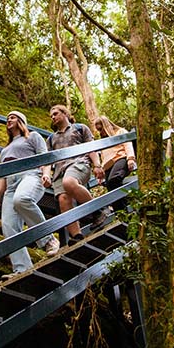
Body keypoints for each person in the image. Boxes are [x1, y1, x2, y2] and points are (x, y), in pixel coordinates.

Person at [0, 110, 60, 279]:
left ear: (21, 121)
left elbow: (45, 157)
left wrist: (46, 174)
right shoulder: (4, 150)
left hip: (30, 175)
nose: (9, 120)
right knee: (8, 226)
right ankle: (22, 268)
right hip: (10, 184)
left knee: (22, 200)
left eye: (12, 117)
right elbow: (2, 174)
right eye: (7, 118)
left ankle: (48, 240)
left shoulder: (33, 137)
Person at [43, 105, 105, 246]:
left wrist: (97, 165)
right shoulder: (51, 138)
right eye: (51, 115)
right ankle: (77, 235)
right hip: (59, 171)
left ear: (65, 113)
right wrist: (46, 175)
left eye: (55, 114)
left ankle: (98, 211)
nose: (53, 117)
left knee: (69, 182)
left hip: (78, 163)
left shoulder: (80, 128)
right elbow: (47, 161)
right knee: (63, 200)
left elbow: (91, 147)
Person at [94, 115, 137, 218]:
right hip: (108, 165)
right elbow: (103, 157)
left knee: (114, 179)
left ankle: (125, 210)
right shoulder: (103, 141)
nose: (100, 132)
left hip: (120, 158)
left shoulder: (120, 132)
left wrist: (130, 158)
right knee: (109, 185)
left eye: (101, 129)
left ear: (105, 125)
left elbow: (127, 144)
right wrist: (102, 173)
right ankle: (120, 213)